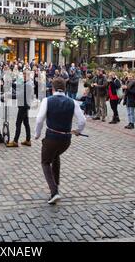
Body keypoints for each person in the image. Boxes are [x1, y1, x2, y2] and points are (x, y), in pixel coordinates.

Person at [35, 77, 86, 205]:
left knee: (45, 162)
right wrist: (78, 131)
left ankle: (54, 191)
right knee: (56, 156)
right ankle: (56, 184)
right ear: (65, 88)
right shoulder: (72, 102)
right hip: (65, 140)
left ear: (52, 88)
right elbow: (82, 120)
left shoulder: (47, 100)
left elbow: (39, 119)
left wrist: (37, 133)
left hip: (52, 137)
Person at [7, 70, 33, 148]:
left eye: (26, 75)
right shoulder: (26, 83)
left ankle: (15, 141)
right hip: (25, 105)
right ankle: (28, 140)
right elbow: (18, 87)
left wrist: (9, 96)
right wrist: (11, 84)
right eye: (24, 74)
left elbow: (19, 95)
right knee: (26, 123)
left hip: (23, 106)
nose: (24, 76)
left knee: (18, 123)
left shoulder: (27, 84)